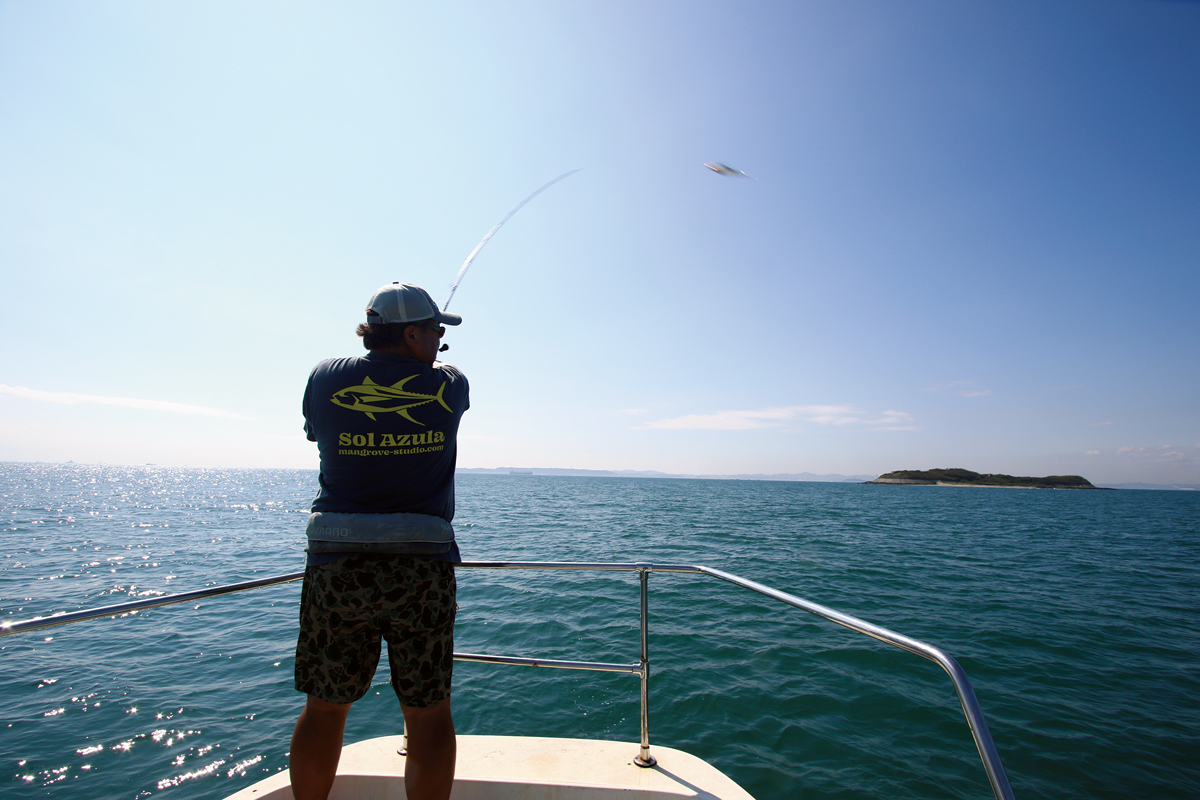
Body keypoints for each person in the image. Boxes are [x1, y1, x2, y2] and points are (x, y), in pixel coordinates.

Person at [289, 282, 469, 800]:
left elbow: (314, 433)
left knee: (324, 708)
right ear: (411, 335)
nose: (440, 341)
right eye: (434, 331)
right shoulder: (451, 384)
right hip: (420, 569)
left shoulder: (325, 376)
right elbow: (442, 374)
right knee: (428, 714)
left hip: (337, 565)